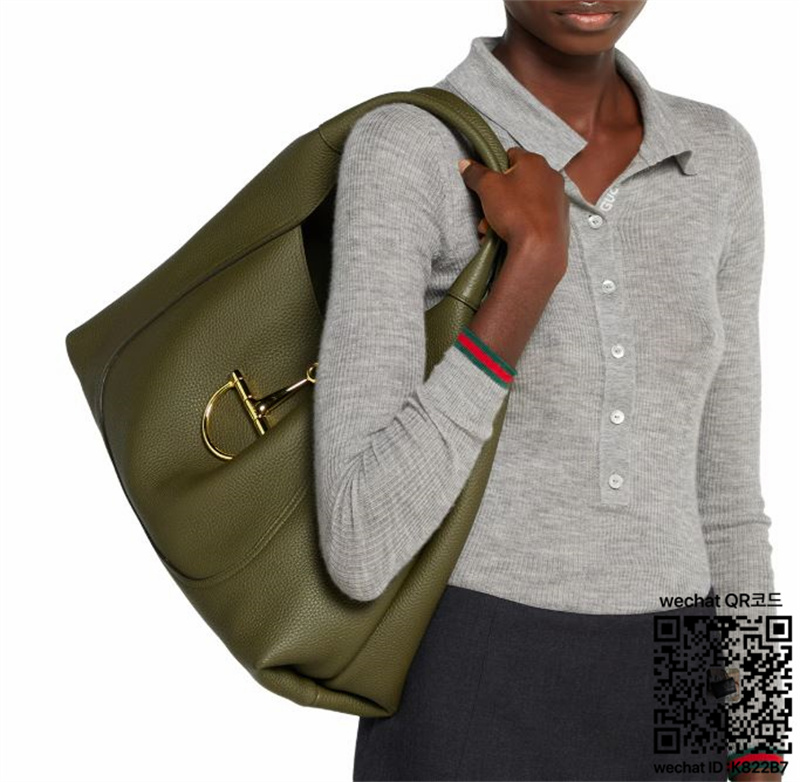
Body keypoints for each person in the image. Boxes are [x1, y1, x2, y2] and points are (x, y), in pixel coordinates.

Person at [313, 1, 784, 780]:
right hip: (470, 663)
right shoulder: (411, 147)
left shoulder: (717, 157)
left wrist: (763, 736)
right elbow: (359, 542)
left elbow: (728, 496)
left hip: (686, 667)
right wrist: (529, 268)